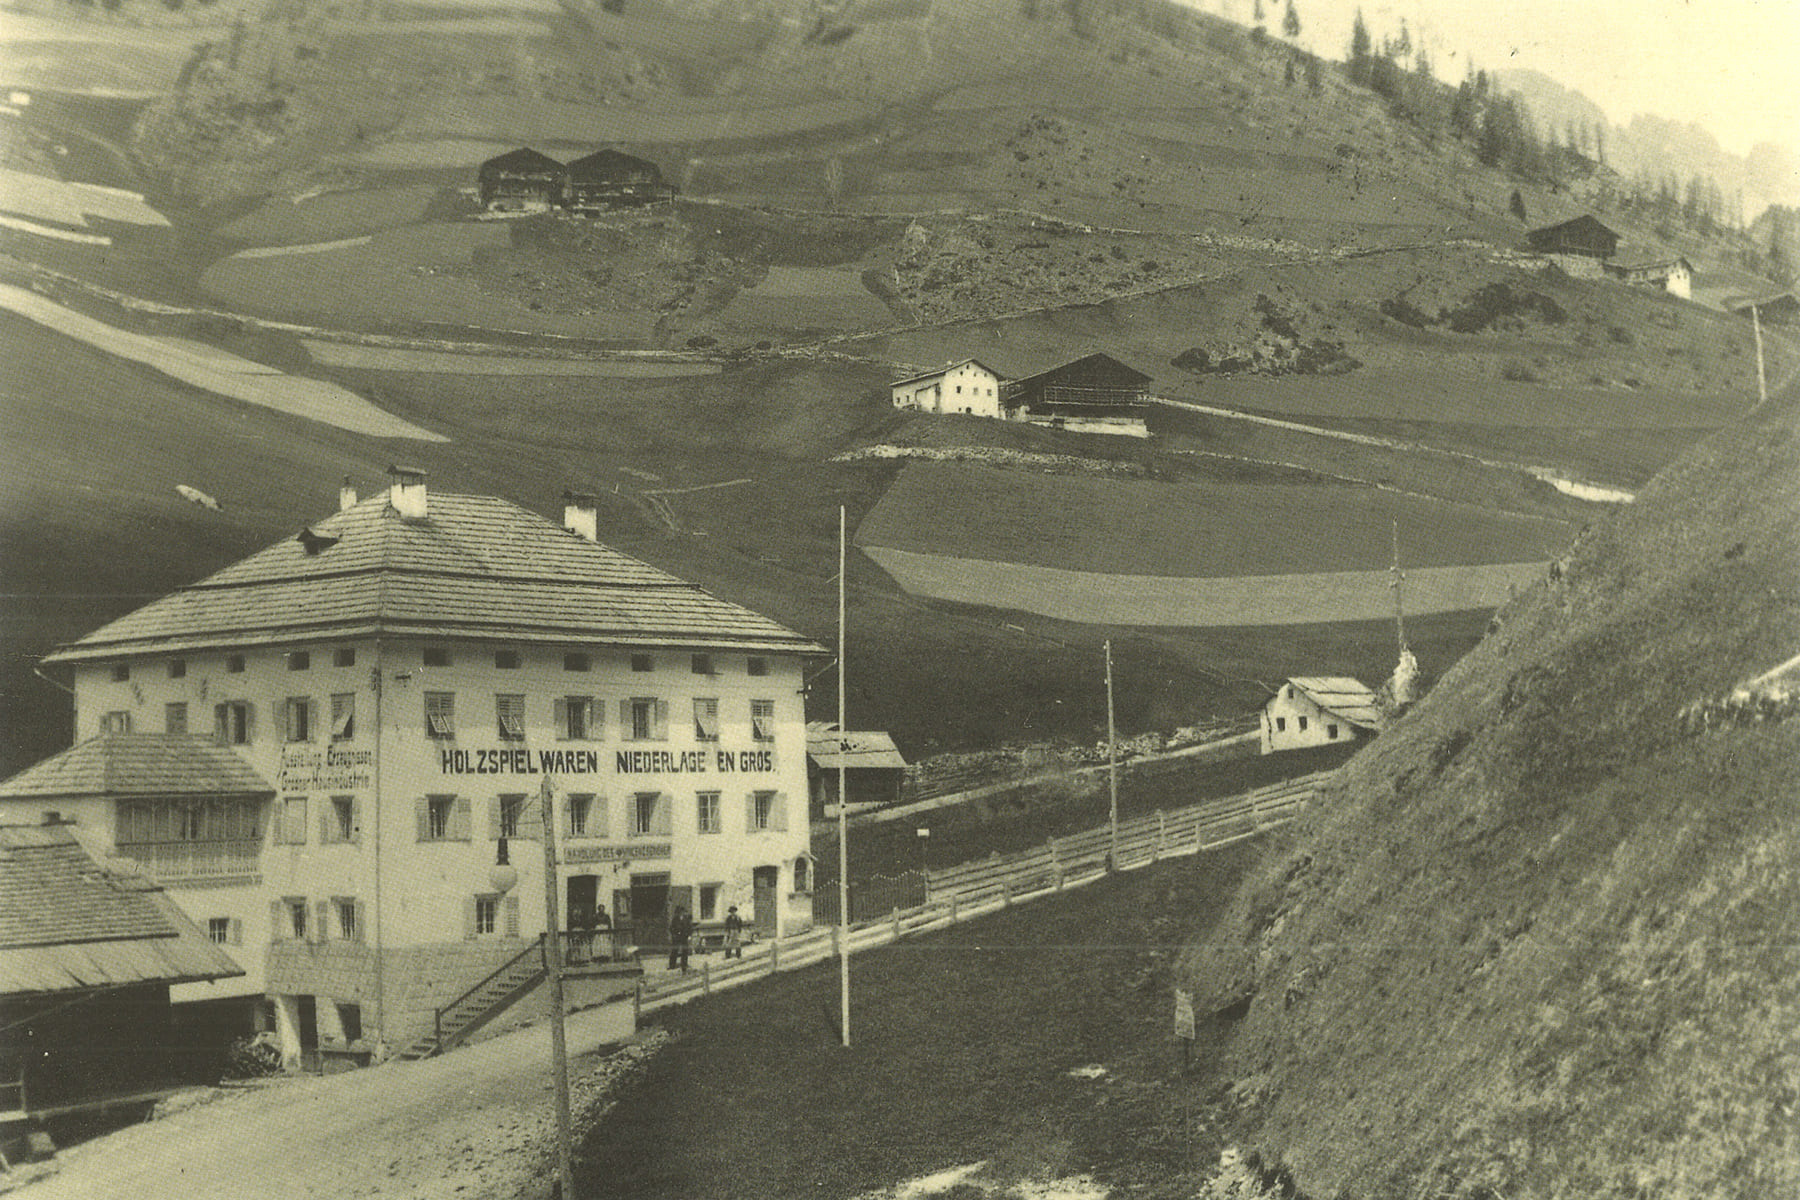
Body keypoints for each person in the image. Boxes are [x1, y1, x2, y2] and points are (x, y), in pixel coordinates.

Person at [667, 905, 693, 972]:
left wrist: (689, 935)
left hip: (684, 936)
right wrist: (674, 935)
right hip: (677, 937)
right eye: (680, 912)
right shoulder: (675, 919)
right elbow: (671, 928)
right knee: (674, 950)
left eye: (683, 912)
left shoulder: (686, 919)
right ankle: (672, 965)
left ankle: (684, 964)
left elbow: (689, 927)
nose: (682, 913)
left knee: (685, 951)